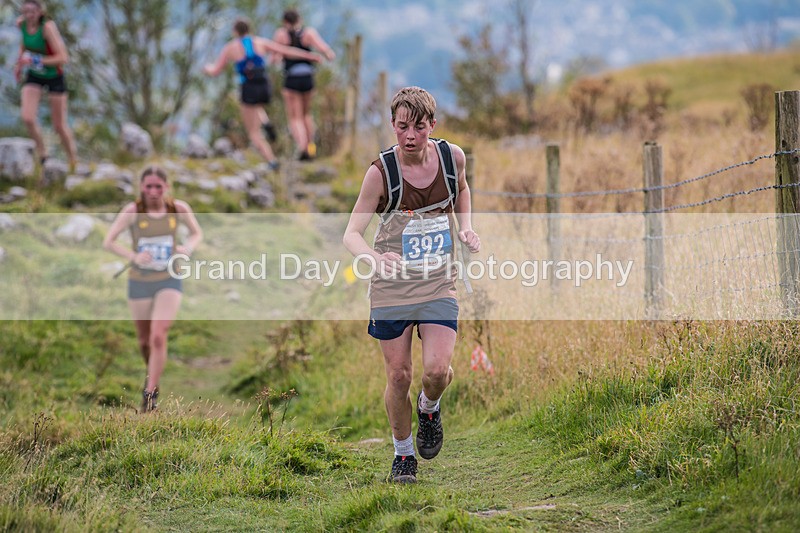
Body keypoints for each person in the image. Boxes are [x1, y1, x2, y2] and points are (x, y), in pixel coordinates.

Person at [343, 87, 480, 483]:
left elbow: (463, 191)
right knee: (398, 375)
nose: (409, 136)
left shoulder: (453, 159)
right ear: (393, 125)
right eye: (402, 127)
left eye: (418, 128)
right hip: (392, 285)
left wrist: (467, 229)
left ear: (431, 126)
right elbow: (352, 233)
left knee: (437, 371)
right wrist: (373, 258)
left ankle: (429, 408)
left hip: (438, 279)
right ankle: (403, 456)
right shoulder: (380, 172)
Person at [103, 166, 203, 413]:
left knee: (159, 334)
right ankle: (153, 376)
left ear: (167, 187)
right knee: (144, 341)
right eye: (149, 186)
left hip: (169, 278)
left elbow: (196, 233)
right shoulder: (133, 211)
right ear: (141, 187)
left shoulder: (177, 209)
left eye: (159, 186)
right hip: (139, 281)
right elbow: (109, 241)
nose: (154, 191)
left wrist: (186, 248)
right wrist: (134, 256)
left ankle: (150, 394)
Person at [204, 18, 324, 171]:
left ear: (235, 31)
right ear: (249, 29)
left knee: (253, 131)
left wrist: (207, 68)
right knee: (257, 108)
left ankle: (272, 161)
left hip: (248, 88)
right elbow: (287, 51)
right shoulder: (260, 42)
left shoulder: (230, 48)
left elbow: (215, 71)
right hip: (264, 86)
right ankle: (266, 123)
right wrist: (311, 56)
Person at [13, 0, 77, 171]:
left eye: (33, 11)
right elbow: (24, 45)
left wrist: (35, 60)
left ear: (40, 11)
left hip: (54, 76)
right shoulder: (21, 24)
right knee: (27, 117)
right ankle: (43, 156)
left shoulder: (48, 28)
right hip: (34, 75)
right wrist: (19, 65)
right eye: (26, 11)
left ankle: (73, 161)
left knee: (59, 125)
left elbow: (63, 58)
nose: (29, 15)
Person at [271, 9, 335, 161]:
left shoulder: (281, 35)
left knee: (295, 117)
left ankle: (302, 148)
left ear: (285, 21)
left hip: (291, 79)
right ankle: (311, 147)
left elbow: (274, 59)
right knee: (306, 115)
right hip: (308, 78)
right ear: (299, 20)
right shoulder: (308, 33)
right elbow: (327, 52)